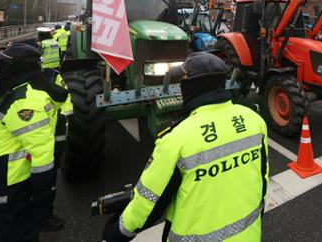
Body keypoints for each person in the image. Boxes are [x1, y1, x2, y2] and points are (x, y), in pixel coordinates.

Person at [102, 53, 268, 242]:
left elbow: (148, 204)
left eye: (182, 80)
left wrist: (118, 231)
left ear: (193, 85)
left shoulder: (177, 139)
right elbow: (262, 179)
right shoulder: (254, 121)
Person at [0, 42, 69, 241]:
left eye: (4, 63)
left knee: (15, 234)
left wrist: (41, 198)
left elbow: (42, 154)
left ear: (17, 67)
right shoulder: (14, 90)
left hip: (9, 183)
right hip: (6, 178)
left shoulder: (24, 102)